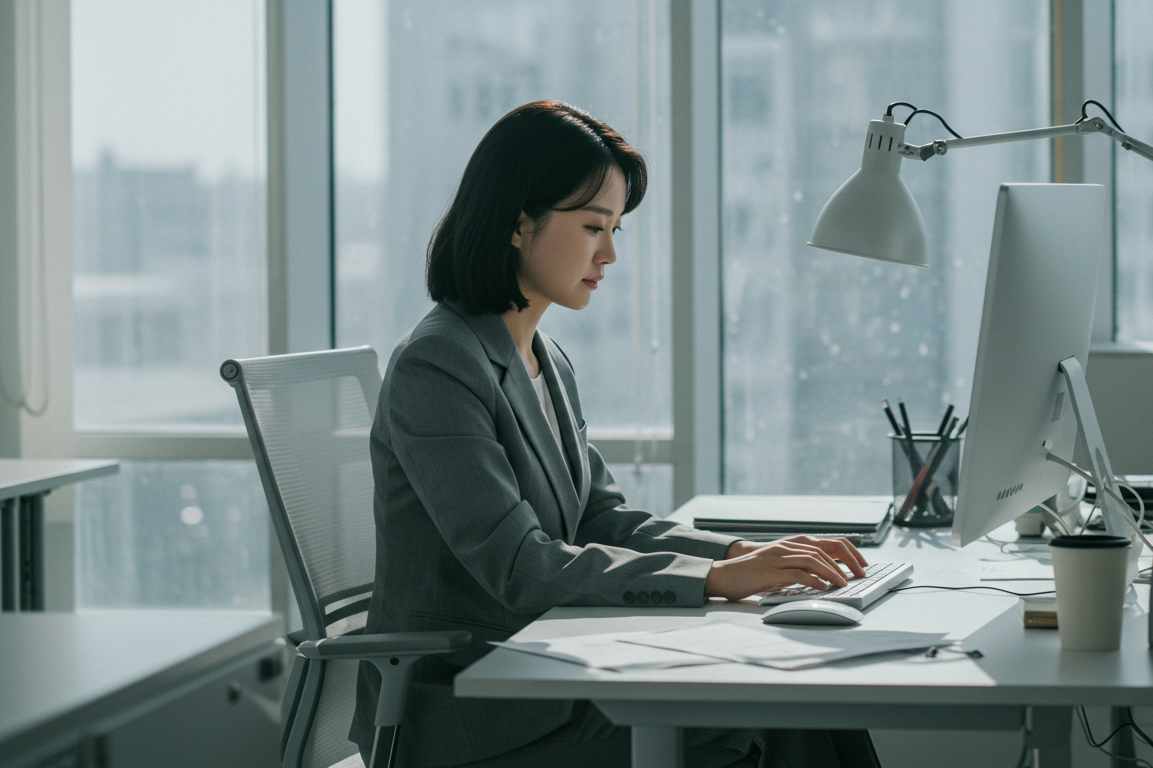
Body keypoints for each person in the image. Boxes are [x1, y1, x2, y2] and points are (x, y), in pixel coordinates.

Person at [352, 100, 882, 768]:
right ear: (519, 224)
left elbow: (603, 517)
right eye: (592, 226)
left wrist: (750, 555)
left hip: (551, 669)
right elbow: (519, 565)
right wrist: (717, 578)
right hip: (471, 708)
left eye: (616, 228)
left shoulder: (543, 357)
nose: (609, 253)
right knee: (762, 726)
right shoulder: (439, 363)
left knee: (812, 704)